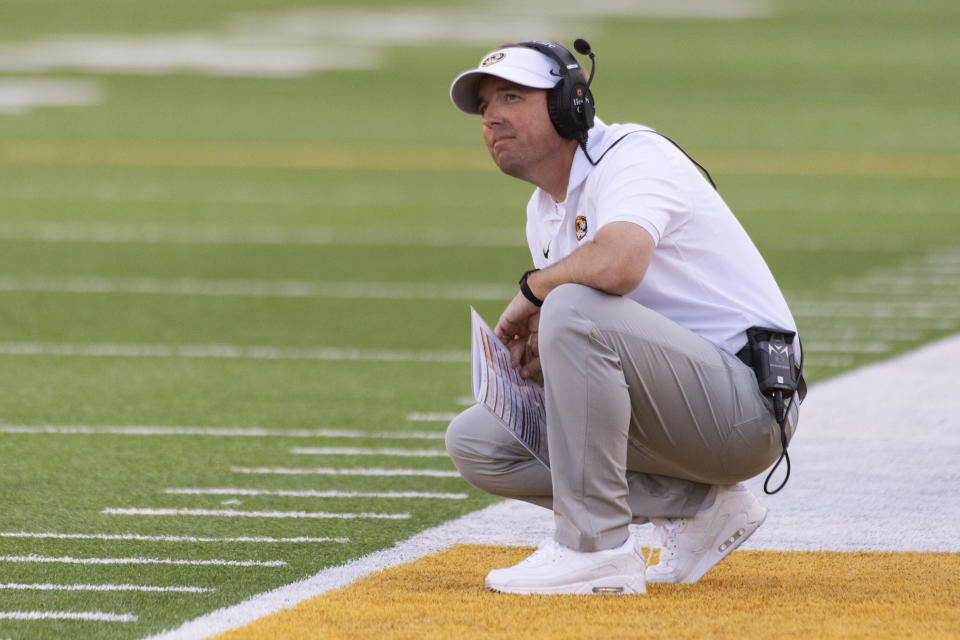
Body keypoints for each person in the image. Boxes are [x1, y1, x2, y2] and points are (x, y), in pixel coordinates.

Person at [445, 40, 801, 595]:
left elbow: (619, 264)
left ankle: (595, 549)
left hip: (747, 408)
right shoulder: (542, 211)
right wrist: (550, 358)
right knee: (479, 441)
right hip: (680, 412)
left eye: (511, 96)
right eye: (485, 106)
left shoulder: (633, 153)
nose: (491, 117)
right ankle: (702, 507)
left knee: (570, 306)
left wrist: (533, 294)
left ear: (571, 104)